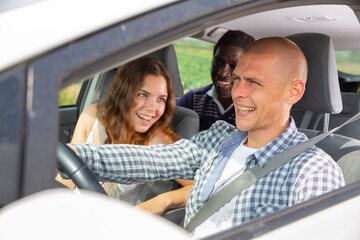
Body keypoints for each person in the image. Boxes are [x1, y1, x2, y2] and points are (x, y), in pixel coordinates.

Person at [68, 37, 345, 238]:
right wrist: (72, 155)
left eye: (254, 82)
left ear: (294, 92)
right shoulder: (217, 139)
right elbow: (150, 158)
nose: (237, 92)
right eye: (237, 80)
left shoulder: (313, 172)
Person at [56, 56, 193, 215]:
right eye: (143, 95)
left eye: (160, 99)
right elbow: (67, 176)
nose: (152, 108)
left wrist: (162, 201)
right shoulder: (93, 116)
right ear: (123, 92)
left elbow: (201, 187)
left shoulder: (158, 140)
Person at [177, 30, 255, 131]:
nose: (222, 73)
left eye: (233, 66)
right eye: (218, 63)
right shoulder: (192, 100)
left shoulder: (255, 108)